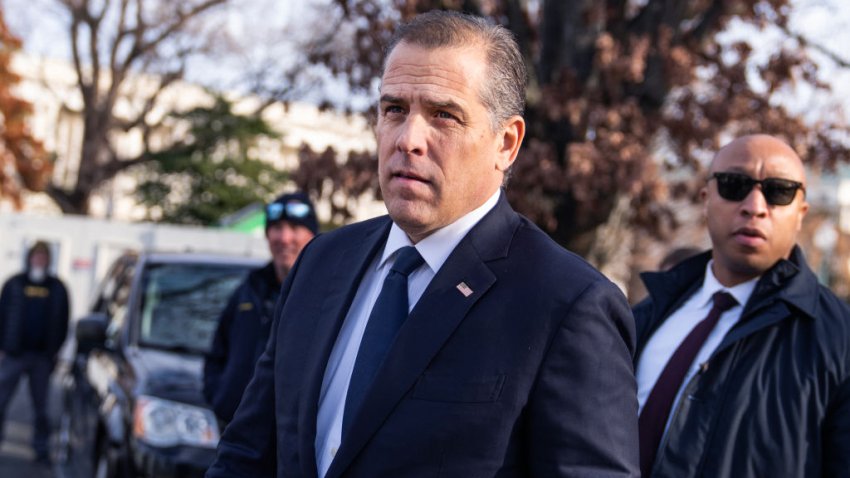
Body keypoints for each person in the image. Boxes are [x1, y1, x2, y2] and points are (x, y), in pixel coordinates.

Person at [207, 10, 638, 478]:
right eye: (394, 109)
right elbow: (248, 454)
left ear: (507, 144)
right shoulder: (321, 263)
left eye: (444, 116)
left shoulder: (567, 304)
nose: (408, 139)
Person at [633, 134, 850, 477]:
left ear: (801, 213)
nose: (755, 206)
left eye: (779, 191)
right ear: (706, 199)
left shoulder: (838, 342)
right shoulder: (643, 316)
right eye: (734, 185)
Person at [204, 192, 318, 424]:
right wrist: (220, 399)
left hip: (290, 441)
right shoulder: (249, 290)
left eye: (295, 228)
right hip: (234, 432)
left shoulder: (328, 295)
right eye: (276, 228)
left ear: (313, 235)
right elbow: (217, 353)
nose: (284, 238)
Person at [0, 241, 70, 465]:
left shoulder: (57, 287)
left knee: (41, 408)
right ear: (29, 258)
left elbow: (62, 323)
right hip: (13, 355)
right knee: (1, 401)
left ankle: (41, 450)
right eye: (36, 256)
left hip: (41, 358)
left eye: (43, 257)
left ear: (49, 260)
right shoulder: (14, 284)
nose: (39, 261)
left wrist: (55, 352)